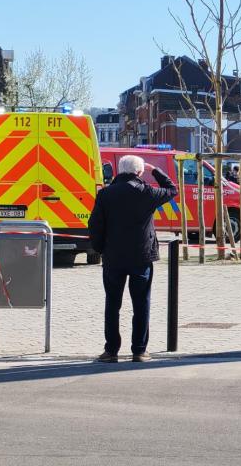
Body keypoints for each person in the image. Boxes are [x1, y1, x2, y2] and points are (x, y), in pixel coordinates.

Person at [89, 155, 178, 363]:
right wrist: (155, 170)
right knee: (141, 303)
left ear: (120, 171)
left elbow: (95, 225)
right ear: (139, 172)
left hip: (113, 257)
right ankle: (139, 350)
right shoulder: (147, 192)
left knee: (112, 304)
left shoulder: (106, 194)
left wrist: (100, 248)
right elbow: (172, 189)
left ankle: (111, 350)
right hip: (141, 257)